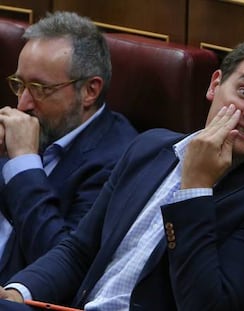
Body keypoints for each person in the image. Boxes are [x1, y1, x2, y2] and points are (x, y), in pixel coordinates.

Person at [0, 38, 244, 310]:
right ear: (215, 84)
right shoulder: (148, 147)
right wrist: (16, 292)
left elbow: (205, 306)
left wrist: (195, 189)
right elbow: (78, 251)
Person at [0, 11, 137, 285]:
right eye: (19, 85)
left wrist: (24, 165)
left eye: (40, 88)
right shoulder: (22, 127)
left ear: (89, 91)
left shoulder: (118, 162)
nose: (23, 103)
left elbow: (62, 263)